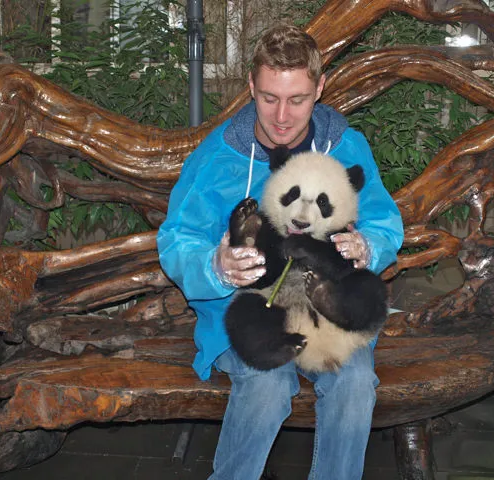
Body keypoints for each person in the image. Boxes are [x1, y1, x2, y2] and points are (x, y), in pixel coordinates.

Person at [157, 24, 404, 480]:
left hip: (329, 313)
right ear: (250, 87)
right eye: (269, 98)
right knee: (268, 384)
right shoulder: (217, 157)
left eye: (297, 99)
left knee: (354, 384)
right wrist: (215, 265)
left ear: (320, 88)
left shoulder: (346, 146)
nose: (283, 117)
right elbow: (177, 238)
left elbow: (384, 220)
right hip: (247, 309)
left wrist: (369, 246)